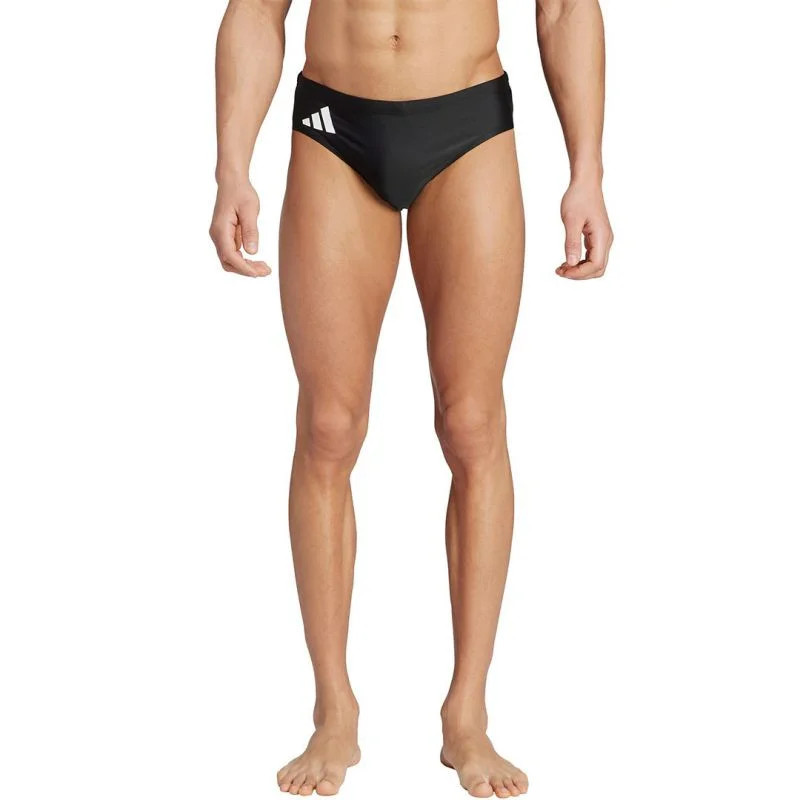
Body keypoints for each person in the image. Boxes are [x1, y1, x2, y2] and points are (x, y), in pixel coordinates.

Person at [209, 0, 613, 795]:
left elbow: (565, 8)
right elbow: (256, 10)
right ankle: (334, 707)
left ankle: (468, 714)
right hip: (334, 123)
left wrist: (587, 169)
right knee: (329, 426)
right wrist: (231, 165)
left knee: (471, 424)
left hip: (468, 125)